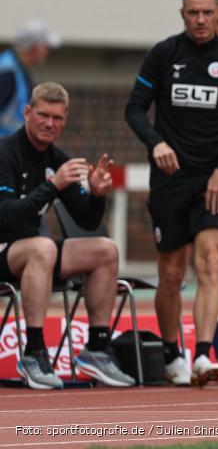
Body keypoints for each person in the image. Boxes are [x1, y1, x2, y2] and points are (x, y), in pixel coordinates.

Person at [125, 0, 218, 386]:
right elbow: (134, 109)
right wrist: (156, 143)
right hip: (169, 181)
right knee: (171, 273)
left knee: (211, 260)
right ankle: (171, 354)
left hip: (213, 180)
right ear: (183, 14)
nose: (200, 19)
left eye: (207, 12)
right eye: (192, 13)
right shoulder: (165, 54)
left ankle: (202, 354)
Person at [0, 82, 134, 389]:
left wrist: (98, 194)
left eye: (58, 118)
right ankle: (34, 352)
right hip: (4, 250)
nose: (50, 124)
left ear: (66, 119)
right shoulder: (5, 153)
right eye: (43, 115)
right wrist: (53, 186)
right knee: (43, 248)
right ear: (27, 112)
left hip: (34, 253)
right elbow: (7, 214)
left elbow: (87, 221)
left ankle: (97, 348)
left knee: (106, 250)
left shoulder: (60, 161)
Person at [0, 20, 60, 137]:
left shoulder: (16, 70)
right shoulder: (8, 73)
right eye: (46, 47)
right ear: (35, 48)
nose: (47, 52)